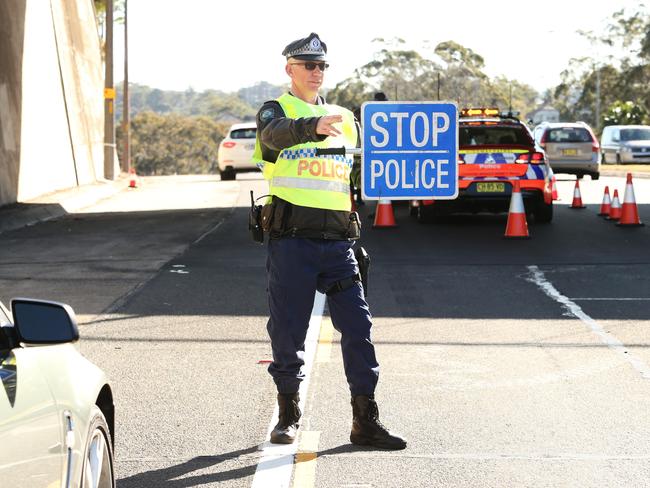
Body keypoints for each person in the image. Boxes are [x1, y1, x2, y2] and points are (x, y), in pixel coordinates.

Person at [252, 33, 406, 450]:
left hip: (339, 244)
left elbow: (369, 166)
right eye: (308, 65)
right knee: (288, 332)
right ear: (290, 69)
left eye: (322, 66)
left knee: (359, 329)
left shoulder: (344, 117)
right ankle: (287, 415)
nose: (316, 72)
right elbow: (271, 135)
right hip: (292, 242)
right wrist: (311, 127)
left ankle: (365, 421)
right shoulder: (275, 110)